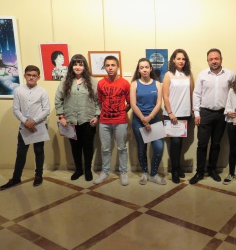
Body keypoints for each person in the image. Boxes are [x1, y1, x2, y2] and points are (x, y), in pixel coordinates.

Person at [0, 65, 50, 190]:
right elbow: (16, 109)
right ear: (24, 75)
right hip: (24, 127)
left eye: (34, 75)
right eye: (29, 75)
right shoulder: (18, 91)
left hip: (39, 126)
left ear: (38, 77)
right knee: (21, 153)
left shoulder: (42, 91)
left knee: (39, 152)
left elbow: (46, 110)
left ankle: (38, 175)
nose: (31, 77)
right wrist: (26, 122)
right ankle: (16, 178)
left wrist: (33, 122)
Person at [190, 48, 235, 184]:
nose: (214, 61)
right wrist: (196, 113)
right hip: (205, 113)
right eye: (211, 59)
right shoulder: (203, 75)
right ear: (208, 61)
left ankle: (212, 170)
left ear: (221, 59)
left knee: (216, 144)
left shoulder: (230, 75)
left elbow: (234, 94)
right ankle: (199, 172)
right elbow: (196, 94)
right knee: (202, 144)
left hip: (222, 114)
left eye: (216, 58)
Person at [55, 54, 100, 182]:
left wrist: (96, 116)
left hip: (88, 120)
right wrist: (61, 116)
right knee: (75, 148)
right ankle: (78, 169)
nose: (78, 67)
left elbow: (98, 101)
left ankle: (87, 170)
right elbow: (58, 99)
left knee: (88, 147)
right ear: (71, 66)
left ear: (85, 66)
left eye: (81, 64)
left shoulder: (92, 81)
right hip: (70, 121)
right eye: (75, 64)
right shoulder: (65, 81)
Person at [95, 56, 131, 186]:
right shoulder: (101, 83)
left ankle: (123, 172)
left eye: (113, 65)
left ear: (117, 66)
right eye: (107, 65)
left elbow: (130, 101)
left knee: (122, 147)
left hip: (120, 121)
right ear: (104, 67)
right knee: (105, 148)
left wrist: (122, 111)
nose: (110, 68)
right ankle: (105, 172)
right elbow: (99, 100)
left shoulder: (125, 83)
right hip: (104, 121)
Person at [130, 58, 166, 185]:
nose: (144, 69)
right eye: (141, 67)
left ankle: (153, 174)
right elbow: (133, 104)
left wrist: (149, 118)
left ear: (151, 69)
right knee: (141, 148)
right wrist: (143, 120)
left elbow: (158, 103)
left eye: (146, 67)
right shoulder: (134, 84)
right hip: (138, 121)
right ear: (138, 70)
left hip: (154, 119)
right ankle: (144, 173)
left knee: (158, 147)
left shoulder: (157, 84)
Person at [162, 49, 194, 184]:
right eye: (178, 58)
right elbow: (165, 96)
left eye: (183, 59)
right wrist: (170, 112)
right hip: (172, 114)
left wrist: (193, 110)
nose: (181, 61)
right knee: (174, 143)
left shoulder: (189, 74)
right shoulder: (168, 75)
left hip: (185, 114)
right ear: (173, 60)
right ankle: (174, 170)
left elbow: (192, 93)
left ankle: (178, 167)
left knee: (180, 143)